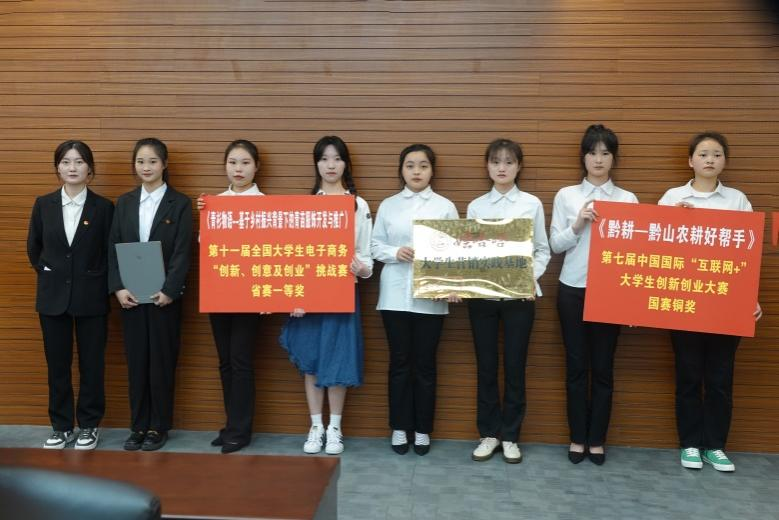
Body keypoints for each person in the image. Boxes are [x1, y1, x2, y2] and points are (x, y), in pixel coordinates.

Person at [659, 131, 762, 472]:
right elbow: (654, 250)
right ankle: (689, 443)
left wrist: (750, 298)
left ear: (724, 161)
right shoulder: (673, 197)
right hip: (684, 303)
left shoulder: (737, 200)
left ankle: (715, 445)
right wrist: (675, 219)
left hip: (724, 306)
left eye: (716, 154)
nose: (710, 159)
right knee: (688, 376)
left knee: (720, 379)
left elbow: (747, 256)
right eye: (703, 154)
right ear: (690, 160)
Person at [549, 124, 638, 465]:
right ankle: (577, 437)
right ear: (583, 157)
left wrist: (632, 303)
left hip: (611, 293)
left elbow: (637, 254)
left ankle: (597, 439)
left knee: (603, 368)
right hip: (572, 289)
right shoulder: (567, 195)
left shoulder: (627, 199)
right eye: (592, 153)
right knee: (575, 368)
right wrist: (577, 224)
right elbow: (555, 245)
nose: (598, 159)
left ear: (614, 158)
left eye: (605, 153)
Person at [279, 135, 373, 455]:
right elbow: (292, 257)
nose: (330, 165)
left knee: (338, 357)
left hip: (342, 292)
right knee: (311, 360)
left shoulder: (358, 205)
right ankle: (315, 425)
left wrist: (360, 268)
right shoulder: (305, 206)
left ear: (346, 163)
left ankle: (335, 427)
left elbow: (367, 258)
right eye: (324, 158)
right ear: (316, 164)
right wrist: (294, 296)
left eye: (337, 158)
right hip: (308, 296)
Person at [371, 144, 459, 455]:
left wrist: (452, 285)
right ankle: (399, 427)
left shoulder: (445, 206)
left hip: (431, 299)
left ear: (432, 170)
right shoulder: (389, 205)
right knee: (399, 363)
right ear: (402, 170)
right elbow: (374, 246)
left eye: (423, 165)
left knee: (425, 365)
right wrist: (395, 252)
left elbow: (456, 251)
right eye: (410, 165)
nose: (417, 171)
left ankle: (422, 429)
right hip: (395, 296)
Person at [467, 139, 550, 464]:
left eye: (509, 162)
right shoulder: (476, 206)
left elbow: (542, 249)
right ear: (487, 166)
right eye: (496, 161)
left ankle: (511, 435)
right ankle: (489, 434)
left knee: (515, 367)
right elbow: (469, 253)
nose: (502, 168)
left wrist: (530, 278)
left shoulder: (531, 204)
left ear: (519, 166)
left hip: (519, 297)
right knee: (486, 366)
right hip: (482, 298)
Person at [27, 140, 114, 450]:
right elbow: (34, 247)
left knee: (92, 365)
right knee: (57, 366)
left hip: (92, 297)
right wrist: (48, 272)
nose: (72, 167)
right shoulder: (43, 204)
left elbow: (110, 251)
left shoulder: (104, 207)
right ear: (58, 168)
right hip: (52, 298)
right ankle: (61, 426)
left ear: (90, 168)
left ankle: (89, 425)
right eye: (66, 162)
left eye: (79, 161)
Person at [108, 137, 193, 451]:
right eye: (141, 161)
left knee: (161, 363)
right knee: (137, 363)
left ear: (164, 164)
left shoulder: (179, 203)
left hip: (163, 299)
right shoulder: (125, 202)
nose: (146, 167)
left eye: (153, 161)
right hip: (130, 297)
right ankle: (138, 426)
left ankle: (158, 426)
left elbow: (183, 251)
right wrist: (118, 288)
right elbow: (113, 247)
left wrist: (170, 290)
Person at [197, 140, 264, 454]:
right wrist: (204, 214)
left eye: (245, 163)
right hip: (220, 292)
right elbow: (206, 246)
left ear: (256, 167)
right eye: (233, 162)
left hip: (251, 295)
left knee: (240, 361)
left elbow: (273, 252)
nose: (239, 169)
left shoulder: (265, 204)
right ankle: (230, 425)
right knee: (225, 362)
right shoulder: (214, 203)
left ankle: (241, 429)